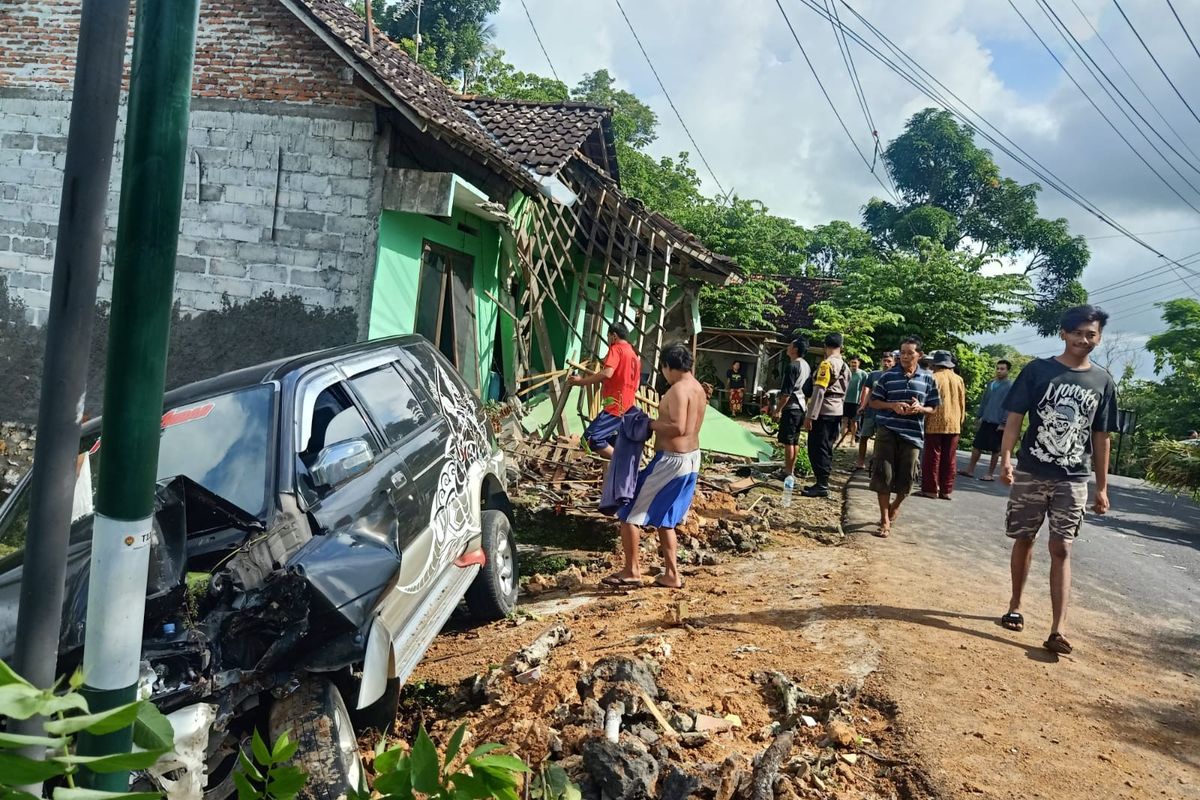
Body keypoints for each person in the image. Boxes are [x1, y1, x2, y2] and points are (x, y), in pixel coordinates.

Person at [998, 305, 1118, 656]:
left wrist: (1102, 486)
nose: (1084, 340)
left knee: (1062, 547)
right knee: (1024, 538)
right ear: (1063, 334)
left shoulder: (1102, 381)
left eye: (1091, 334)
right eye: (1078, 333)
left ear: (1099, 337)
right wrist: (1006, 459)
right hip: (1032, 471)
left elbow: (1101, 437)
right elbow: (1015, 417)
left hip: (1074, 478)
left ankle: (1057, 629)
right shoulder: (1038, 371)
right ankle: (1015, 604)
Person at [601, 343, 708, 590]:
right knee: (666, 519)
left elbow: (678, 427)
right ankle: (672, 574)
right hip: (691, 459)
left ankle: (632, 570)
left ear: (668, 366)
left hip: (671, 461)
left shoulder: (678, 390)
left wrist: (648, 424)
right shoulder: (698, 389)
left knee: (628, 511)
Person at [868, 336, 940, 537]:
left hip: (913, 434)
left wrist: (920, 408)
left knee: (908, 477)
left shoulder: (928, 378)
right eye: (902, 353)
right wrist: (892, 405)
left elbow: (933, 408)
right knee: (883, 474)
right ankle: (884, 520)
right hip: (887, 430)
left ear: (920, 355)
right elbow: (874, 402)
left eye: (910, 353)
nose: (905, 357)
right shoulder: (887, 377)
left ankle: (896, 505)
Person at [570, 322, 641, 459]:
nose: (608, 340)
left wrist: (581, 382)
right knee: (604, 440)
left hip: (614, 406)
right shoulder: (634, 357)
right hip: (626, 407)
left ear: (614, 336)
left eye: (608, 337)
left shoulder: (617, 349)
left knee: (592, 440)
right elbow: (636, 385)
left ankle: (622, 461)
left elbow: (607, 372)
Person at [801, 333, 849, 497]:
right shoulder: (845, 366)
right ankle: (822, 482)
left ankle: (822, 484)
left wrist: (810, 416)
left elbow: (819, 391)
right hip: (837, 410)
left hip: (823, 411)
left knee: (817, 447)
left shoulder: (826, 365)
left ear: (825, 346)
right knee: (826, 447)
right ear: (841, 347)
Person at [917, 350, 966, 499]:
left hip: (935, 421)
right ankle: (946, 490)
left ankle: (930, 489)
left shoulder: (932, 377)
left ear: (935, 364)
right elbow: (962, 402)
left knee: (932, 457)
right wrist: (960, 420)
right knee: (950, 458)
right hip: (954, 423)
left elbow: (926, 400)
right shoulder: (959, 379)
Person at [960, 360, 1013, 481]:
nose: (999, 371)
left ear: (1007, 371)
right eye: (998, 368)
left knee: (995, 449)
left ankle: (990, 474)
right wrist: (979, 416)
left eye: (1002, 369)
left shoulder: (1010, 386)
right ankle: (970, 470)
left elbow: (1009, 405)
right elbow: (984, 401)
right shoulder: (991, 383)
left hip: (998, 422)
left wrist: (1004, 422)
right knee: (977, 445)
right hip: (986, 419)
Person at [774, 338, 811, 480]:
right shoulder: (806, 366)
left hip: (792, 407)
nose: (787, 347)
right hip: (802, 407)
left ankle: (788, 472)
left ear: (795, 349)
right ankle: (791, 469)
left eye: (790, 344)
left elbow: (786, 393)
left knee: (788, 441)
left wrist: (778, 409)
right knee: (794, 440)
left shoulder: (792, 366)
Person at [855, 351, 895, 470]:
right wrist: (862, 406)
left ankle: (875, 462)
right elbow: (869, 392)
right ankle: (860, 461)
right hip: (871, 411)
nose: (886, 363)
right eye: (884, 361)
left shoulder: (895, 376)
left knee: (880, 439)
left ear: (893, 363)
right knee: (864, 436)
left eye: (889, 361)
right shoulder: (873, 375)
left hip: (885, 412)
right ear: (881, 361)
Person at [837, 356, 867, 447]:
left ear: (859, 363)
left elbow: (864, 389)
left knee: (854, 421)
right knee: (844, 421)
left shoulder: (863, 374)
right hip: (844, 400)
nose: (854, 364)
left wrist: (862, 402)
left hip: (856, 401)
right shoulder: (845, 372)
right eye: (852, 362)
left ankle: (853, 439)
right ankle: (842, 439)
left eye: (855, 362)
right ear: (849, 363)